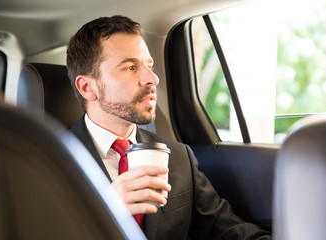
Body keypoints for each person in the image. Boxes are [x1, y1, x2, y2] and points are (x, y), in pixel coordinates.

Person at [66, 15, 272, 239]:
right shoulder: (50, 163)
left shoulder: (178, 156)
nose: (152, 78)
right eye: (130, 67)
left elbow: (228, 231)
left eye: (149, 65)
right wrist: (103, 212)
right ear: (87, 87)